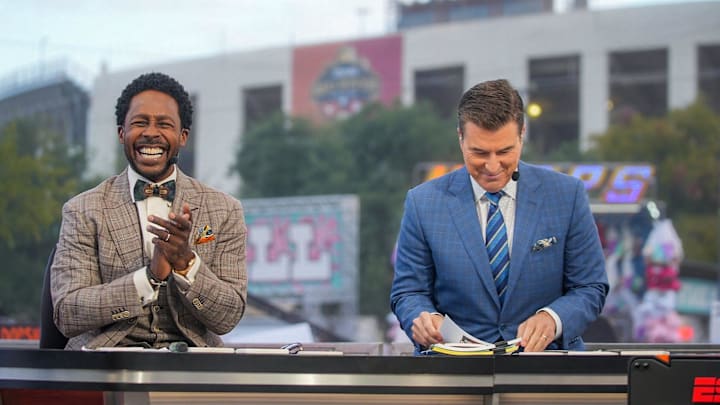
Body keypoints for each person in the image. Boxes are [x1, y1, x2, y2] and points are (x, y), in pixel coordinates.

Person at [390, 79, 608, 352]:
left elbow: (590, 287)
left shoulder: (567, 195)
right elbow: (408, 293)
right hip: (452, 370)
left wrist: (553, 319)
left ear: (522, 134)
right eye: (479, 152)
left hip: (548, 366)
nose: (492, 166)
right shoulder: (423, 203)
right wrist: (425, 319)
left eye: (505, 151)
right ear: (460, 138)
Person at [51, 72, 247, 350]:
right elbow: (67, 313)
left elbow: (228, 317)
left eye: (164, 124)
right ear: (122, 133)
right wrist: (148, 278)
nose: (151, 132)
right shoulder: (82, 210)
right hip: (105, 365)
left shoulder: (225, 210)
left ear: (183, 137)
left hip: (194, 368)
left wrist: (186, 263)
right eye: (139, 122)